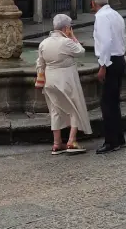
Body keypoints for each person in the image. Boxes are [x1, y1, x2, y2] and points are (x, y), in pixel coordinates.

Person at [36, 14, 91, 155]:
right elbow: (81, 51)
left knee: (55, 111)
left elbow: (40, 63)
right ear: (66, 28)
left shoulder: (44, 43)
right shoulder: (66, 42)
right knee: (74, 109)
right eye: (70, 27)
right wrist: (72, 37)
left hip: (49, 81)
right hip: (66, 80)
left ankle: (56, 143)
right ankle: (71, 141)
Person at [91, 0, 126, 154]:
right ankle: (119, 138)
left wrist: (103, 66)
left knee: (107, 103)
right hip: (119, 59)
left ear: (93, 3)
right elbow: (122, 38)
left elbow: (105, 43)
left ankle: (111, 141)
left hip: (110, 62)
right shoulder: (115, 15)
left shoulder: (102, 17)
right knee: (114, 102)